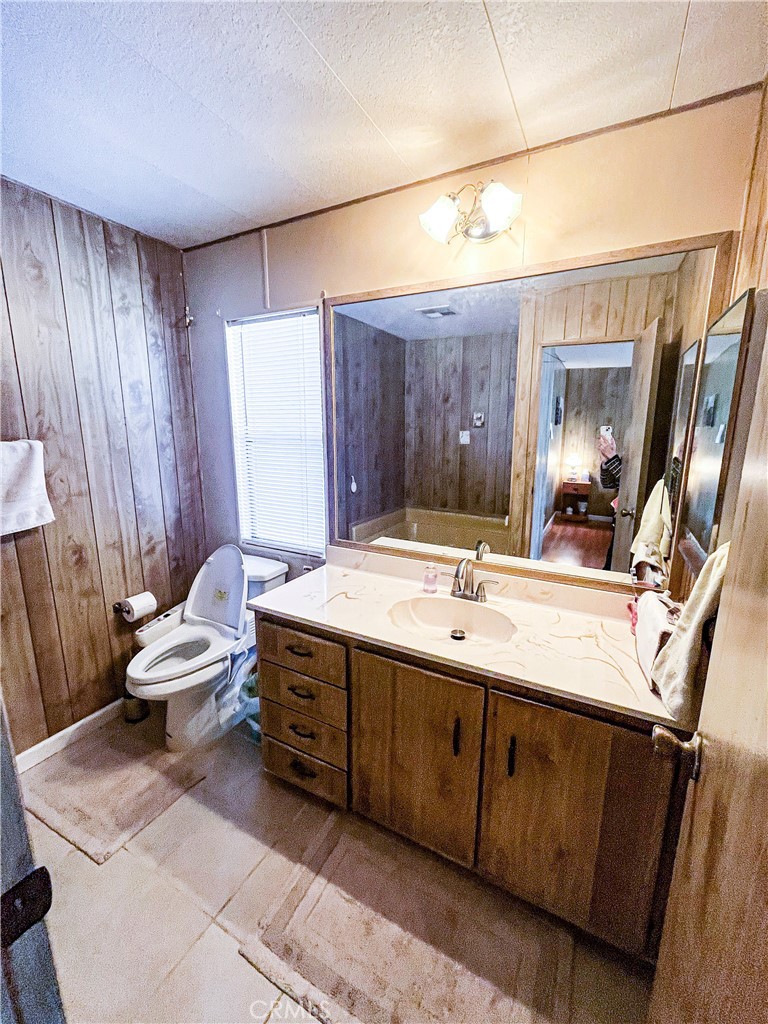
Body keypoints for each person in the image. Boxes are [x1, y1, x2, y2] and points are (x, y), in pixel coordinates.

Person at [598, 433, 622, 570]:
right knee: (610, 560)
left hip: (630, 517)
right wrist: (605, 462)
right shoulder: (630, 457)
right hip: (620, 518)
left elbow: (629, 484)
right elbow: (608, 484)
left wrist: (612, 458)